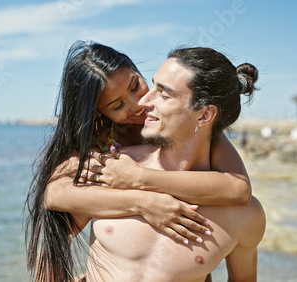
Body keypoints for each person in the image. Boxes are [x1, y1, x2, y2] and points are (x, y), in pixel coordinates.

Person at [26, 41, 252, 282]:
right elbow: (56, 195)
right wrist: (143, 202)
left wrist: (138, 178)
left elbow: (238, 188)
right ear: (100, 114)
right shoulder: (103, 146)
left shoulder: (188, 129)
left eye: (135, 86)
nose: (139, 104)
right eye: (118, 105)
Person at [85, 47, 266, 281]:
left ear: (203, 116)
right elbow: (55, 224)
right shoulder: (116, 166)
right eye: (153, 86)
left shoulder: (244, 215)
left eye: (164, 94)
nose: (144, 100)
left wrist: (139, 179)